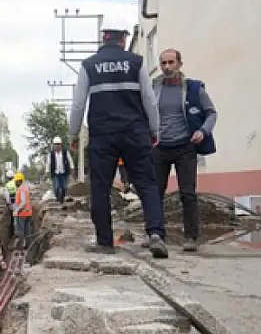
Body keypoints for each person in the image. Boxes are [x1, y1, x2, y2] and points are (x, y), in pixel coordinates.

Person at [68, 26, 169, 258]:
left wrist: (73, 135)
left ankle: (105, 241)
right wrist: (155, 131)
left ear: (103, 41)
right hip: (135, 133)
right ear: (123, 41)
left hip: (102, 136)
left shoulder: (89, 65)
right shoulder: (137, 62)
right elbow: (150, 101)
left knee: (101, 188)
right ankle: (155, 233)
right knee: (147, 185)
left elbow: (78, 105)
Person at [152, 48, 218, 252]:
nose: (167, 67)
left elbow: (211, 113)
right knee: (155, 193)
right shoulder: (154, 88)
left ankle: (191, 237)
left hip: (185, 147)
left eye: (171, 62)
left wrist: (203, 131)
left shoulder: (193, 88)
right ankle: (155, 235)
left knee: (187, 193)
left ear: (180, 64)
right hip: (160, 147)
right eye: (163, 63)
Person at [48, 136, 72, 203]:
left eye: (58, 144)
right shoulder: (51, 154)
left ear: (60, 144)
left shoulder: (65, 152)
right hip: (55, 173)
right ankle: (57, 197)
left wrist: (72, 168)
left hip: (63, 173)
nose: (57, 146)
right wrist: (47, 171)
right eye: (56, 144)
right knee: (56, 187)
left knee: (64, 187)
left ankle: (62, 197)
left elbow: (70, 160)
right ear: (54, 145)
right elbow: (48, 163)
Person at [11, 171, 32, 248]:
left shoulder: (21, 189)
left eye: (16, 181)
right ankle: (27, 245)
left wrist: (17, 210)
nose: (15, 183)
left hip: (22, 213)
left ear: (19, 181)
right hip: (28, 212)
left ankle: (19, 245)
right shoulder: (25, 188)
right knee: (27, 230)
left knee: (20, 230)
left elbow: (23, 202)